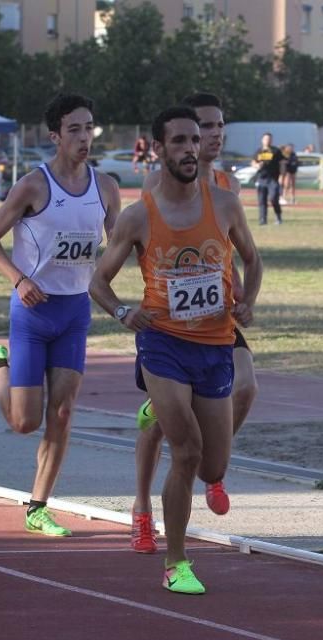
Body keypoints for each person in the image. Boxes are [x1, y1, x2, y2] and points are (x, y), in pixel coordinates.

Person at [89, 106, 262, 595]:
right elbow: (98, 280)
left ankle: (163, 409)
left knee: (213, 466)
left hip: (216, 346)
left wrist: (246, 301)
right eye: (180, 141)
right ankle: (176, 561)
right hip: (162, 344)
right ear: (159, 149)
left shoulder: (225, 204)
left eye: (194, 140)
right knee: (185, 453)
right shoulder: (139, 216)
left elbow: (252, 258)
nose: (190, 148)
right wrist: (124, 313)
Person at [0, 93, 121, 537]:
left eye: (88, 127)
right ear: (55, 136)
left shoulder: (106, 187)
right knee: (24, 422)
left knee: (64, 412)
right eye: (73, 129)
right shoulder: (34, 185)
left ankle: (38, 506)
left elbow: (121, 242)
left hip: (74, 312)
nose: (83, 137)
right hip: (33, 312)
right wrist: (18, 279)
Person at [131, 92, 259, 555]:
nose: (214, 134)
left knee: (246, 387)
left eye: (220, 125)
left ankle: (211, 462)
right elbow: (147, 243)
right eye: (205, 127)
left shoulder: (227, 186)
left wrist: (242, 289)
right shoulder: (154, 182)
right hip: (168, 321)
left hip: (217, 314)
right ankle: (143, 507)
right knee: (159, 426)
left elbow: (228, 249)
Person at [252, 132, 285, 225]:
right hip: (261, 178)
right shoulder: (259, 151)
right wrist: (257, 165)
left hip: (273, 179)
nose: (267, 140)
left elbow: (282, 162)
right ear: (262, 140)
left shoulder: (276, 151)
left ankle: (278, 217)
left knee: (274, 198)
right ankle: (263, 219)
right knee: (262, 200)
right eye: (266, 139)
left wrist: (282, 175)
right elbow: (253, 162)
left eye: (269, 139)